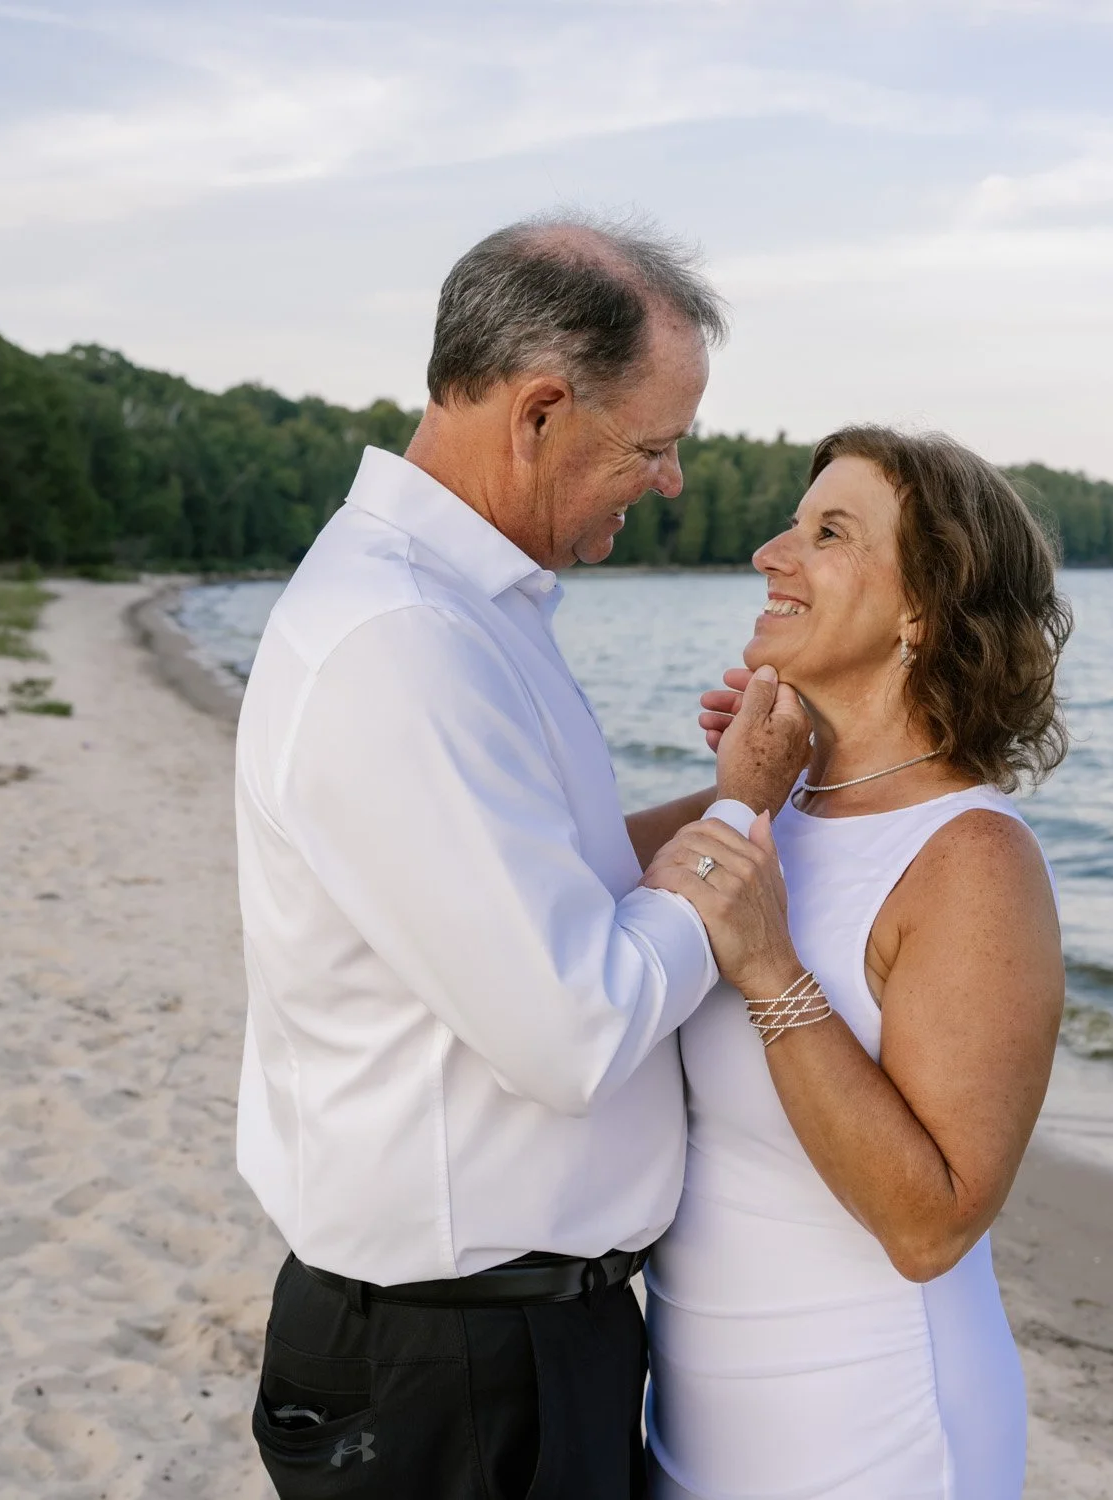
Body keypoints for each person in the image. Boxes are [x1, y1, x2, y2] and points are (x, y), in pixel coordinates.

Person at [230, 215, 812, 1498]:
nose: (667, 483)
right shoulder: (402, 640)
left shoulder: (460, 615)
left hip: (503, 1343)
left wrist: (735, 798)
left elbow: (564, 879)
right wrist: (736, 824)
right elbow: (574, 1026)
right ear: (541, 411)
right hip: (461, 1368)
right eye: (653, 447)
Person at [638, 426, 1073, 1498]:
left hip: (874, 1444)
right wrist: (746, 788)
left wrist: (772, 967)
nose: (771, 554)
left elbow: (933, 1224)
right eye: (794, 522)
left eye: (827, 533)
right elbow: (563, 896)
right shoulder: (771, 817)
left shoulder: (972, 858)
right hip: (689, 1438)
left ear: (924, 608)